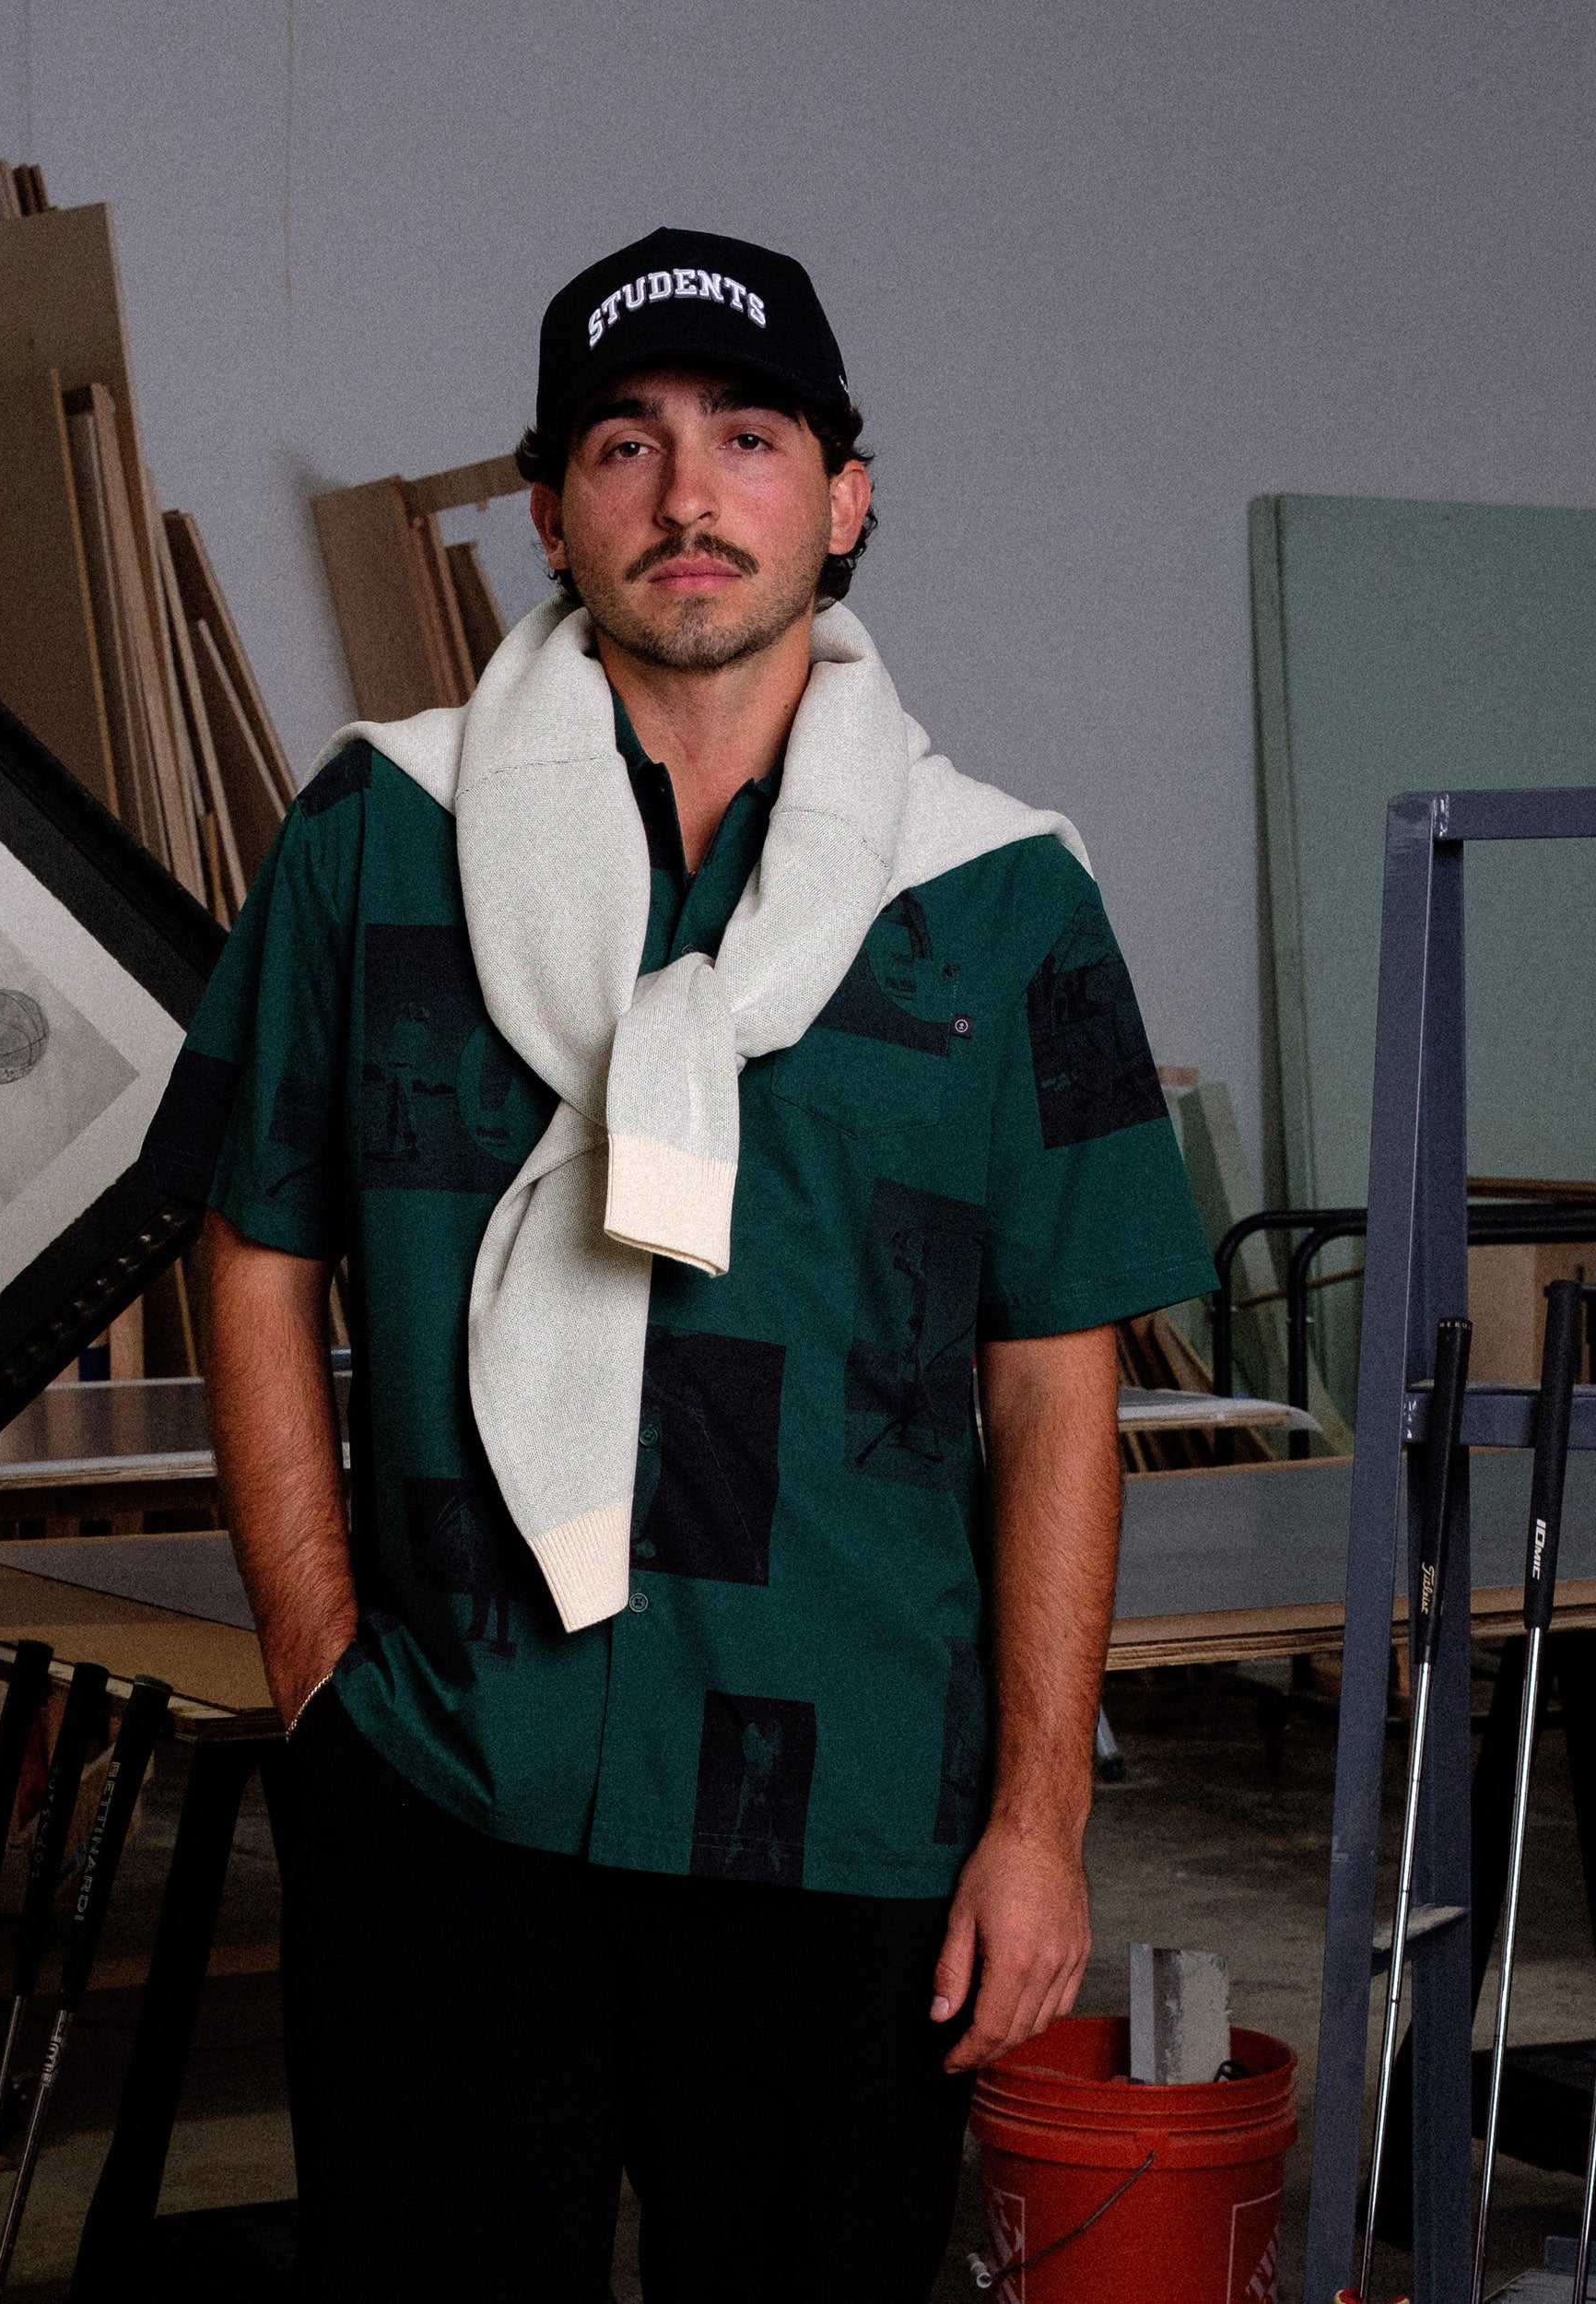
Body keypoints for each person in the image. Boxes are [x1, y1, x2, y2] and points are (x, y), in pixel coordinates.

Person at [143, 226, 1216, 2303]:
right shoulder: (380, 834)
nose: (688, 491)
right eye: (623, 447)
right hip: (456, 1783)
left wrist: (1037, 1821)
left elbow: (1053, 1376)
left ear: (845, 496)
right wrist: (320, 1685)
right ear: (549, 511)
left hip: (847, 1833)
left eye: (748, 434)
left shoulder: (997, 899)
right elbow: (254, 1250)